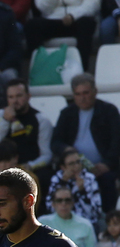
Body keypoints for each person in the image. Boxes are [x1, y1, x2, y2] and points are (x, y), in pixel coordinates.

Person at [51, 74, 120, 214]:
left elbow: (116, 142)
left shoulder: (109, 111)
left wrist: (107, 164)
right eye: (77, 94)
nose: (82, 97)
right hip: (73, 167)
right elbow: (55, 142)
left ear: (95, 92)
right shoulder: (67, 114)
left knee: (107, 180)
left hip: (104, 167)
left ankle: (109, 219)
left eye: (86, 93)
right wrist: (67, 150)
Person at [0, 79, 53, 172]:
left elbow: (47, 155)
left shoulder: (41, 120)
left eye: (19, 96)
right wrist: (5, 121)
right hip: (2, 168)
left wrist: (30, 166)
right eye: (11, 97)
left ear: (28, 97)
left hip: (29, 169)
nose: (14, 101)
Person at [40, 182, 97, 247]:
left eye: (67, 200)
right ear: (53, 204)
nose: (64, 204)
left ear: (73, 203)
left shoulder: (85, 225)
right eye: (59, 200)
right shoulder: (43, 223)